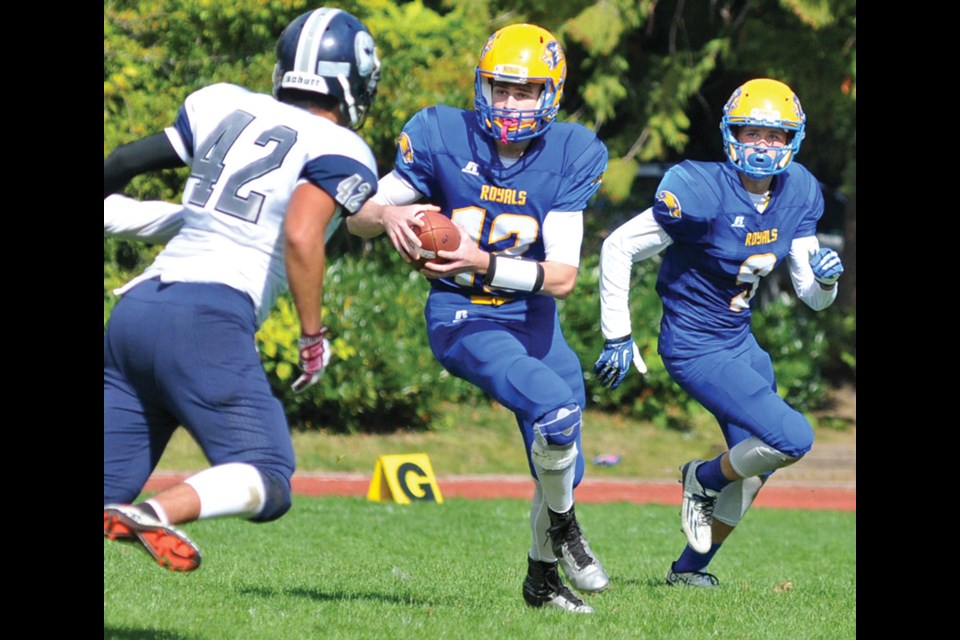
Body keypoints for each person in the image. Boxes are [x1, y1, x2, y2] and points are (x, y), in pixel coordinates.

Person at [102, 7, 381, 572]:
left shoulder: (225, 103)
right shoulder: (341, 146)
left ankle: (132, 507)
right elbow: (303, 236)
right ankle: (159, 513)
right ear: (354, 80)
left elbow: (123, 161)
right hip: (206, 316)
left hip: (137, 311)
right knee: (267, 472)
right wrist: (312, 335)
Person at [347, 24, 609, 614]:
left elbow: (562, 278)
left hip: (534, 318)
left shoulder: (571, 152)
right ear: (480, 86)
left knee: (567, 456)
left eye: (526, 92)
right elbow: (356, 215)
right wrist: (386, 218)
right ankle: (568, 532)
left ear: (552, 94)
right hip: (465, 314)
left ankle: (541, 582)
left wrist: (480, 258)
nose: (510, 104)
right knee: (556, 409)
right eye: (500, 88)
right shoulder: (442, 134)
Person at [593, 78, 845, 588]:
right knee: (793, 437)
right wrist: (618, 333)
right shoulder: (701, 190)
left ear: (793, 142)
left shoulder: (798, 191)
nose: (762, 145)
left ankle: (687, 571)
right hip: (694, 345)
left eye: (775, 136)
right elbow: (618, 246)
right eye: (751, 132)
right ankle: (700, 478)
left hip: (741, 342)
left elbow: (811, 297)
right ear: (731, 133)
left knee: (758, 465)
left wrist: (826, 280)